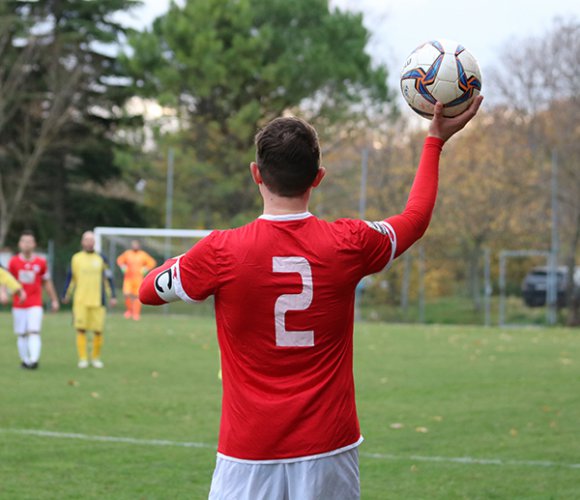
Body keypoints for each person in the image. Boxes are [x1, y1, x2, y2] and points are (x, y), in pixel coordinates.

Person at [139, 97, 483, 499]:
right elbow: (415, 219)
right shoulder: (348, 243)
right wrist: (434, 141)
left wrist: (186, 264)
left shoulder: (221, 251)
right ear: (317, 177)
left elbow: (148, 291)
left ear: (256, 174)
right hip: (329, 448)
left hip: (247, 452)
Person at [62, 231, 117, 369]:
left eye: (91, 239)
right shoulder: (76, 258)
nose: (89, 242)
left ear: (95, 242)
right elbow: (71, 278)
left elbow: (108, 278)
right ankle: (83, 358)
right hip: (80, 300)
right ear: (82, 242)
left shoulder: (101, 258)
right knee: (80, 329)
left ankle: (96, 358)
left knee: (98, 331)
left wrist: (113, 295)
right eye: (86, 239)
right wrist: (66, 294)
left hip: (98, 301)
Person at [8, 230, 60, 369]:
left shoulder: (41, 262)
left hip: (35, 303)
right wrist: (2, 292)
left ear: (34, 244)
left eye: (29, 241)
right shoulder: (13, 262)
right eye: (24, 241)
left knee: (34, 330)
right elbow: (6, 280)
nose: (27, 244)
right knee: (22, 333)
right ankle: (25, 360)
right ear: (20, 244)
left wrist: (54, 300)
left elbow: (47, 282)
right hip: (18, 304)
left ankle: (34, 360)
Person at [116, 239, 156, 321]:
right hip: (128, 278)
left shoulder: (143, 255)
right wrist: (123, 266)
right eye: (133, 244)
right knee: (127, 294)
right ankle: (129, 311)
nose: (135, 246)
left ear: (139, 246)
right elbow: (119, 260)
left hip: (138, 279)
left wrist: (145, 268)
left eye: (136, 245)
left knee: (137, 296)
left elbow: (152, 262)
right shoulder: (128, 253)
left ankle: (136, 314)